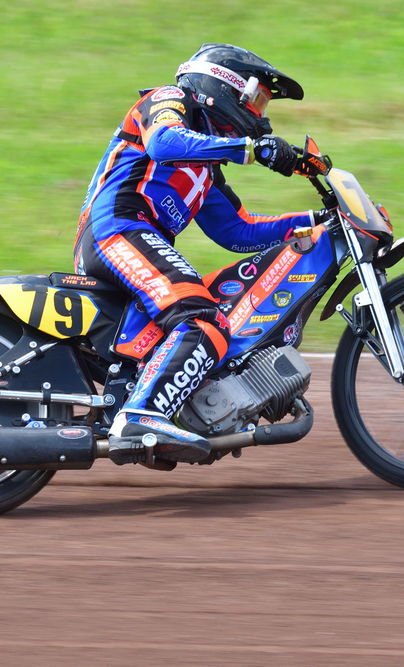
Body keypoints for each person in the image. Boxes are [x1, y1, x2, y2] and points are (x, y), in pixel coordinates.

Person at [73, 43, 330, 464]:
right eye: (259, 98)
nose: (261, 113)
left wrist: (315, 221)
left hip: (133, 240)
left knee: (208, 318)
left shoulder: (205, 166)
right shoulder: (168, 100)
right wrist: (250, 148)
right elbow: (163, 142)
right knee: (203, 318)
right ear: (224, 84)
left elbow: (239, 230)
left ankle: (145, 405)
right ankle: (142, 417)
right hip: (117, 230)